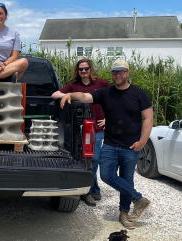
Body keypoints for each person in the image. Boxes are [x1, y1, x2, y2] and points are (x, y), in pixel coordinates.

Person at [60, 59, 153, 229]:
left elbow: (148, 118)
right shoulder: (106, 93)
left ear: (128, 73)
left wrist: (142, 141)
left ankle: (124, 214)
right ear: (112, 74)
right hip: (110, 144)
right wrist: (70, 95)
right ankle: (139, 199)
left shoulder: (139, 94)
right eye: (115, 72)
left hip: (131, 146)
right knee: (106, 175)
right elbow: (85, 96)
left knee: (127, 179)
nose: (118, 75)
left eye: (121, 71)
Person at [52, 59, 110, 207]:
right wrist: (69, 95)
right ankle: (90, 190)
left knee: (94, 159)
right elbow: (54, 95)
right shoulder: (73, 85)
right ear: (77, 71)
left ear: (91, 69)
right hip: (76, 130)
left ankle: (91, 189)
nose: (83, 72)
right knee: (81, 160)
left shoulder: (101, 84)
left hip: (95, 128)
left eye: (86, 69)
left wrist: (108, 119)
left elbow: (115, 100)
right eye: (80, 69)